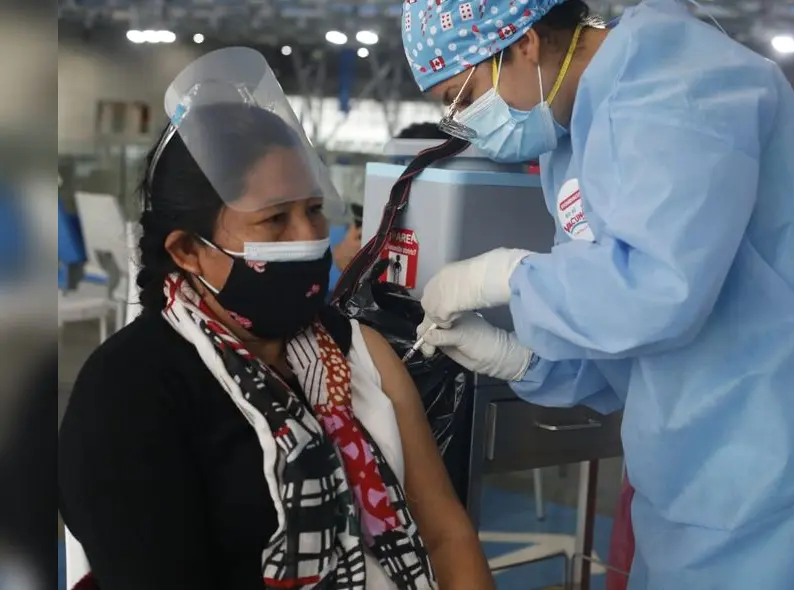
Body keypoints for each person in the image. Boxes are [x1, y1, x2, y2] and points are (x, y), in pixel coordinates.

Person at [400, 0, 794, 587]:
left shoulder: (678, 82)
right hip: (694, 461)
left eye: (464, 98)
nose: (465, 124)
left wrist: (502, 275)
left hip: (783, 451)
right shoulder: (574, 142)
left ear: (522, 42)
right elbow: (616, 329)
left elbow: (658, 293)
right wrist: (516, 358)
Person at [57, 62, 491, 590]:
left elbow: (446, 535)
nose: (308, 236)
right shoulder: (129, 390)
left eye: (313, 210)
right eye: (274, 220)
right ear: (189, 251)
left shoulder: (356, 348)